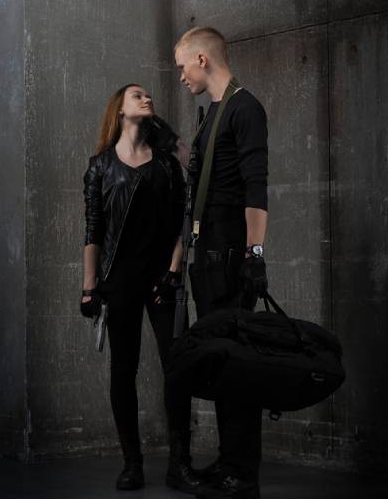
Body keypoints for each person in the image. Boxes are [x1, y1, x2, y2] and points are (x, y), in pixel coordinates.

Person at [80, 84, 204, 493]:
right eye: (137, 95)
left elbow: (183, 218)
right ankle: (131, 463)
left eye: (150, 95)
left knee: (178, 367)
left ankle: (179, 464)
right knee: (123, 369)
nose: (147, 97)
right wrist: (89, 288)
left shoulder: (167, 164)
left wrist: (173, 271)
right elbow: (93, 231)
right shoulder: (100, 166)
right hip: (119, 282)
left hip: (161, 280)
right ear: (119, 109)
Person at [173, 27, 270, 499]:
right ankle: (231, 461)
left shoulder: (244, 107)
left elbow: (255, 187)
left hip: (232, 258)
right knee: (221, 364)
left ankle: (242, 474)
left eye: (182, 66)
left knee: (238, 367)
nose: (181, 76)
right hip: (207, 258)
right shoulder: (213, 113)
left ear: (202, 59)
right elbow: (213, 176)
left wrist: (255, 255)